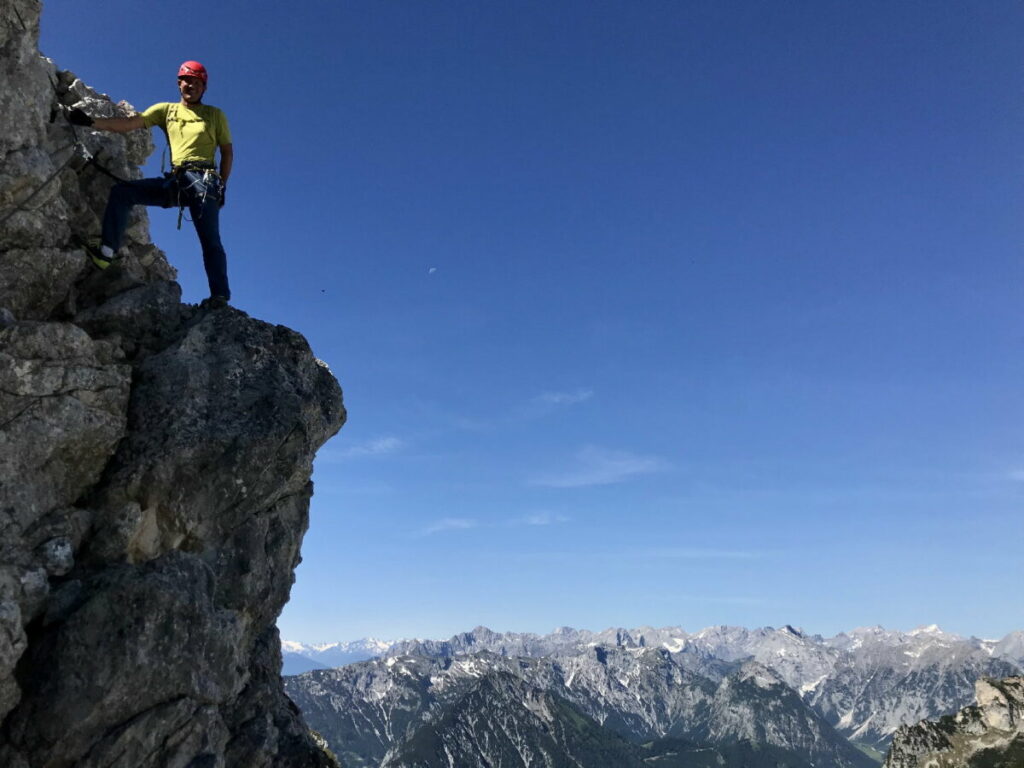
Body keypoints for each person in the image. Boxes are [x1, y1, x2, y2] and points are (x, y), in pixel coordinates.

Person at [68, 61, 234, 308]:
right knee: (122, 192)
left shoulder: (214, 115)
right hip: (178, 181)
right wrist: (90, 122)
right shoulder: (165, 111)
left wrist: (221, 184)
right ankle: (106, 251)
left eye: (197, 83)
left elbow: (227, 152)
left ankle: (220, 296)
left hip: (204, 181)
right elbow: (129, 124)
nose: (192, 86)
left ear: (204, 88)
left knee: (210, 239)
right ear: (179, 83)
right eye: (187, 81)